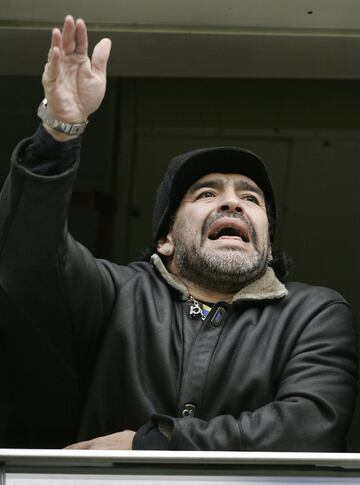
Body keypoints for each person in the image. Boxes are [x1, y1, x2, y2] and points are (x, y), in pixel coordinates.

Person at [0, 15, 357, 451]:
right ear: (165, 240)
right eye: (206, 193)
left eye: (251, 198)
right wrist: (59, 131)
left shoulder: (311, 313)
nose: (232, 202)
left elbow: (310, 427)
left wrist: (150, 442)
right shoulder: (116, 294)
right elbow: (26, 252)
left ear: (265, 244)